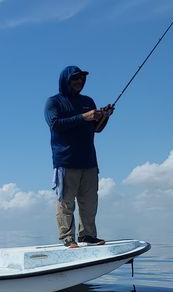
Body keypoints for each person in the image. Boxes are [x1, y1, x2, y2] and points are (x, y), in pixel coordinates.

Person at [44, 66, 114, 248]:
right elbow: (55, 124)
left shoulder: (88, 101)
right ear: (66, 80)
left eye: (82, 79)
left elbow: (96, 128)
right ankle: (68, 238)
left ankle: (87, 235)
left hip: (89, 161)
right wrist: (84, 117)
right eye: (75, 79)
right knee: (66, 203)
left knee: (89, 203)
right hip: (65, 161)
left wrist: (104, 117)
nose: (79, 82)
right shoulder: (54, 102)